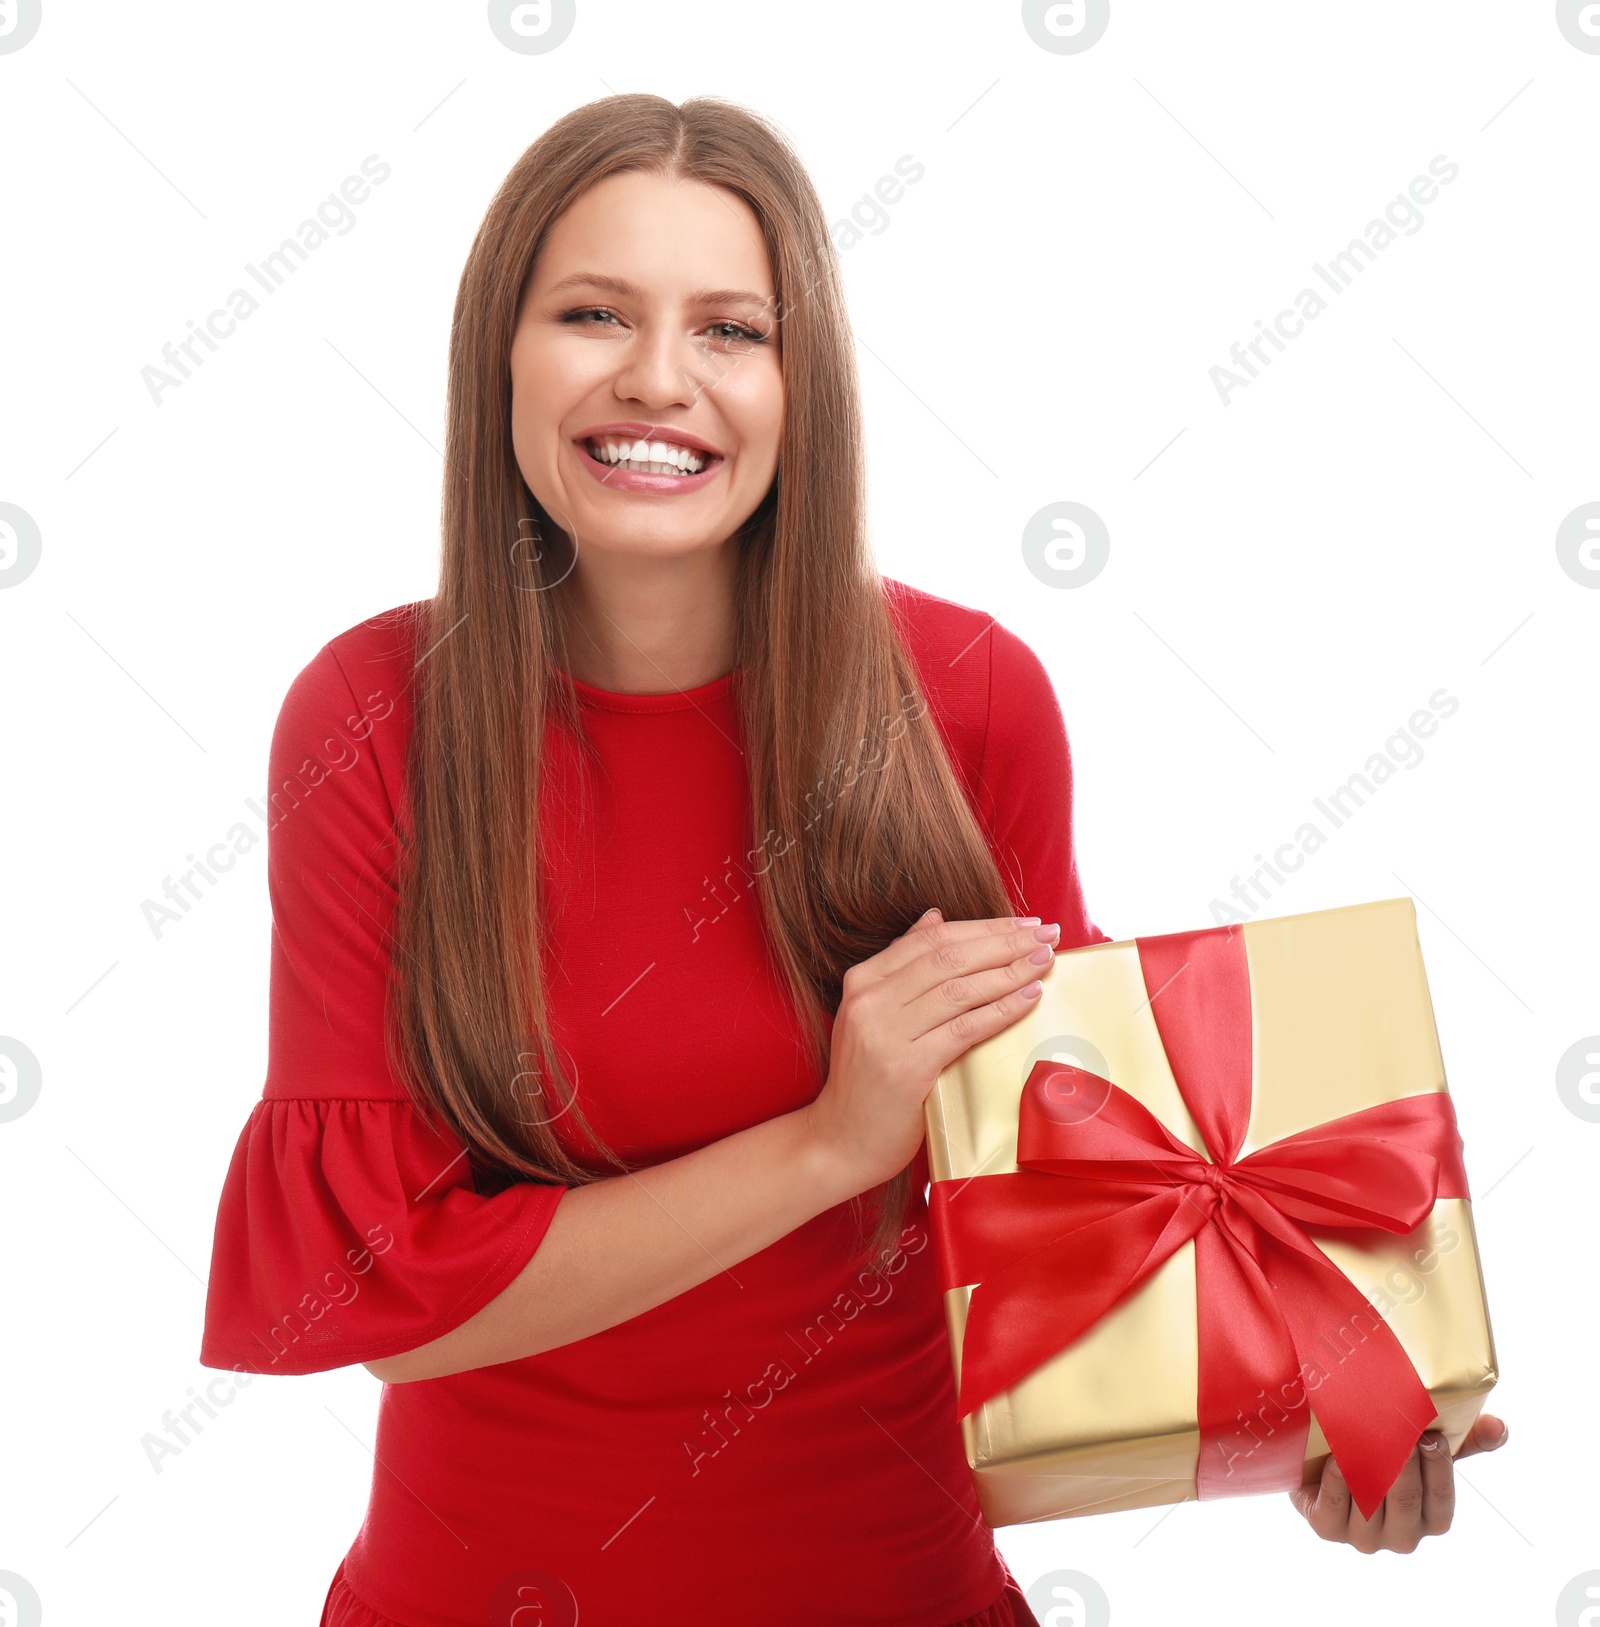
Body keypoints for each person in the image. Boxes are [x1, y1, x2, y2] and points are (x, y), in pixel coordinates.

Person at [197, 92, 1502, 1627]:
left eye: (731, 330)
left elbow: (1069, 1215)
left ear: (801, 380)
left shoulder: (971, 699)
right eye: (593, 313)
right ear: (501, 352)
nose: (658, 379)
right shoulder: (372, 723)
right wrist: (831, 1141)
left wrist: (1293, 1409)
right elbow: (387, 1297)